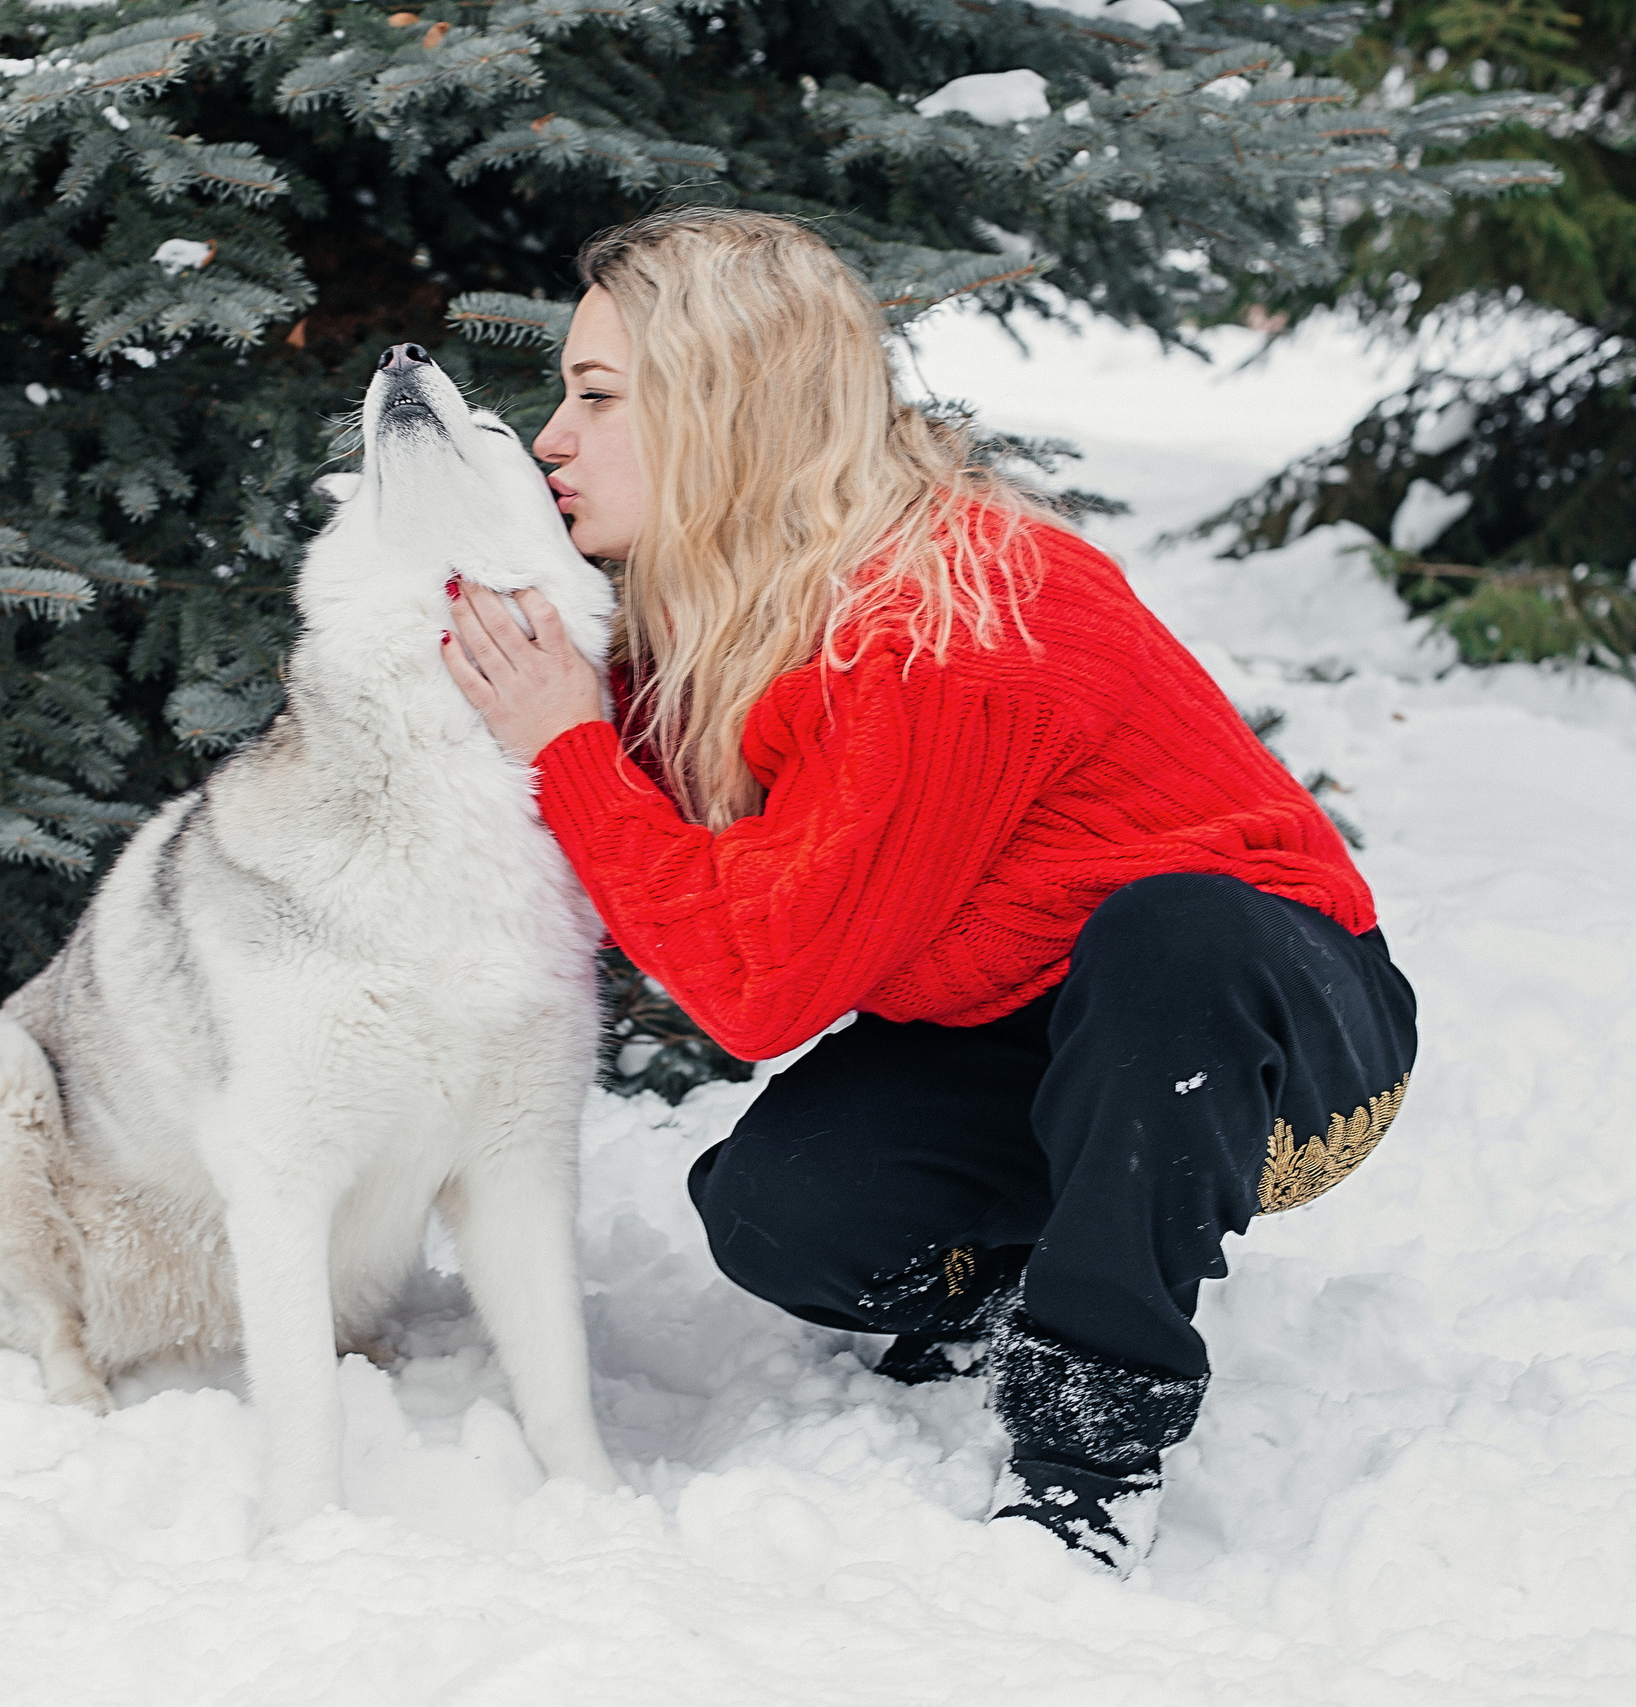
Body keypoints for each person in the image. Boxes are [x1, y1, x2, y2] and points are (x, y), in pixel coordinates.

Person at [439, 208, 1418, 1573]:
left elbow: (757, 986)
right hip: (1032, 1026)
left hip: (1272, 1037)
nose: (552, 438)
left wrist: (567, 747)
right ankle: (1055, 1261)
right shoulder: (714, 610)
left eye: (597, 398)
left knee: (1165, 935)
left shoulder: (951, 623)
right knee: (779, 1213)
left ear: (728, 410)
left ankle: (1093, 1446)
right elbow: (712, 900)